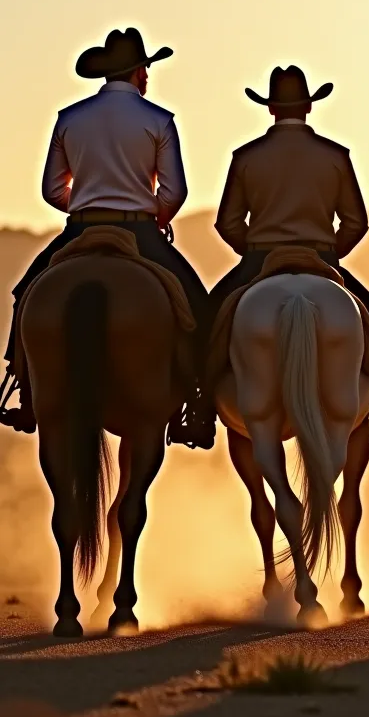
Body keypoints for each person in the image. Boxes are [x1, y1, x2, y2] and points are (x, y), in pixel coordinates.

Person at [0, 27, 215, 450]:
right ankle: (197, 402)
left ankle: (22, 389)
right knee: (198, 304)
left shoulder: (70, 118)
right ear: (140, 73)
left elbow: (50, 189)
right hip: (139, 229)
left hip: (80, 226)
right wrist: (153, 211)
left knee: (26, 293)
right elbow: (174, 193)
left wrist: (81, 203)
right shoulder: (158, 120)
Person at [209, 64, 369, 447]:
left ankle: (200, 405)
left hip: (259, 258)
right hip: (321, 257)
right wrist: (330, 254)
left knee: (210, 315)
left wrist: (253, 251)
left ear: (271, 109)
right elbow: (355, 222)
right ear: (308, 107)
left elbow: (228, 223)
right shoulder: (335, 155)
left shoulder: (247, 156)